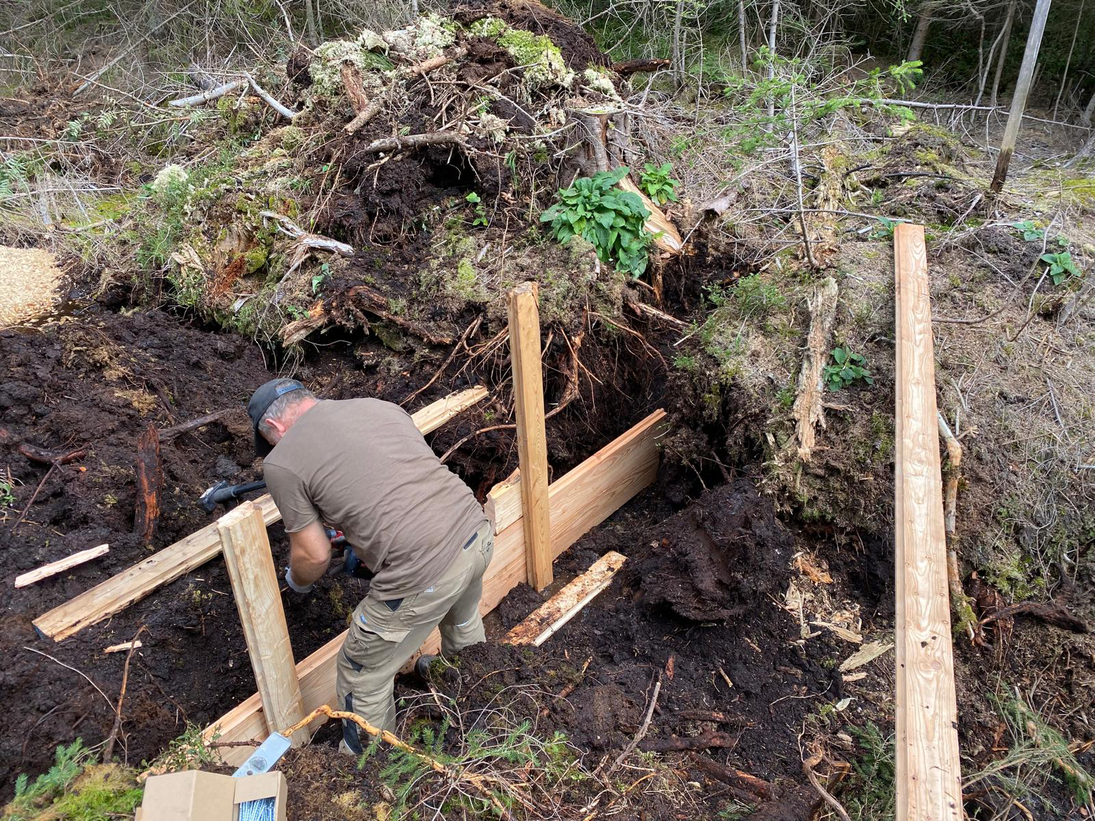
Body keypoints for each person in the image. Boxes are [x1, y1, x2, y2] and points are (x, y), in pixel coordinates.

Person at [246, 378, 493, 753]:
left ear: (274, 429)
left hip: (424, 571)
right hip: (476, 533)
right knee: (460, 618)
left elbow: (313, 555)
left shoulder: (281, 462)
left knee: (360, 672)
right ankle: (485, 710)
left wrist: (295, 583)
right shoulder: (375, 405)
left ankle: (367, 776)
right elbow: (397, 481)